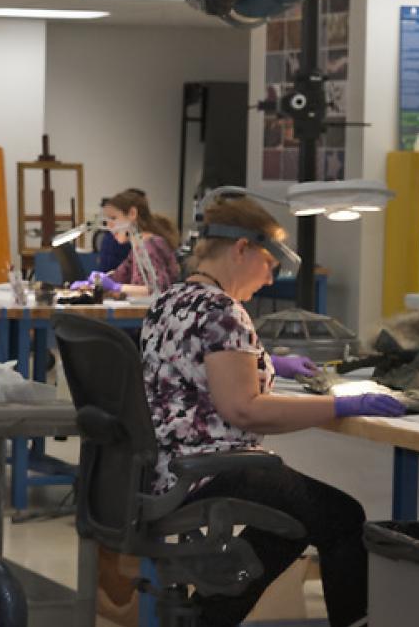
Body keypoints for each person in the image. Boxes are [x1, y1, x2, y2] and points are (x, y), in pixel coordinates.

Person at [140, 195, 405, 627]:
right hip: (213, 467)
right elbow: (245, 409)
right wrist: (338, 405)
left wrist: (267, 361)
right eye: (269, 264)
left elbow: (192, 365)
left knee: (293, 523)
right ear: (241, 249)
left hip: (168, 467)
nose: (269, 279)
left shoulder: (170, 301)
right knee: (343, 518)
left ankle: (211, 617)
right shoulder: (223, 311)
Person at [82, 190, 183, 296]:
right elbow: (120, 275)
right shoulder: (137, 247)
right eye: (107, 221)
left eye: (113, 218)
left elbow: (158, 290)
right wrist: (93, 283)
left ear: (132, 213)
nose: (109, 226)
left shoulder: (149, 246)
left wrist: (115, 287)